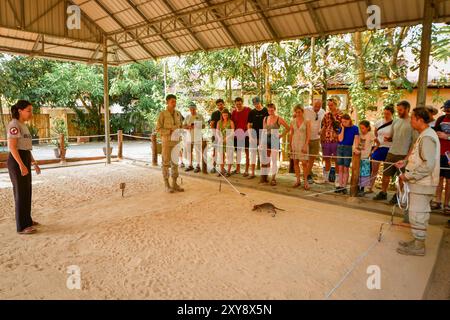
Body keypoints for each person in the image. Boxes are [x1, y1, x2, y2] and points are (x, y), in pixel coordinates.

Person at [395, 107, 440, 256]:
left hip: (424, 184)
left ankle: (419, 245)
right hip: (421, 183)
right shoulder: (424, 135)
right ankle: (416, 241)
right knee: (416, 213)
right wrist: (405, 162)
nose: (411, 121)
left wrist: (408, 176)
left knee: (417, 214)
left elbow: (428, 165)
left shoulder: (427, 137)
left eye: (413, 118)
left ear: (420, 120)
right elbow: (419, 158)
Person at [7, 100, 41, 235]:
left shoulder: (23, 125)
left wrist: (33, 163)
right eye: (29, 110)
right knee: (20, 193)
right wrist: (21, 165)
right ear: (20, 111)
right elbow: (12, 147)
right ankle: (22, 226)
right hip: (17, 161)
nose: (31, 113)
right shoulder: (14, 124)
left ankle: (28, 220)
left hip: (24, 157)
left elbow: (26, 148)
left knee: (27, 191)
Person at [374, 101, 417, 204]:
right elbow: (392, 136)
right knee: (386, 174)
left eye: (401, 110)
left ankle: (398, 195)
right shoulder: (396, 121)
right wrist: (388, 138)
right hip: (392, 151)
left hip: (403, 154)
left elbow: (413, 142)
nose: (398, 112)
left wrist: (407, 157)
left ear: (407, 109)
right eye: (397, 110)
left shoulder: (412, 122)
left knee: (401, 177)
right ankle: (383, 192)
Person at [156, 94, 184, 193]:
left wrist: (185, 128)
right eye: (172, 101)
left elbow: (180, 126)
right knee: (166, 163)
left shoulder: (178, 114)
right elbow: (158, 129)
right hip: (167, 142)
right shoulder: (162, 114)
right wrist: (169, 132)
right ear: (167, 102)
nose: (174, 103)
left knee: (175, 163)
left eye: (175, 101)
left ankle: (174, 183)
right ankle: (167, 184)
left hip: (176, 141)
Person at [261, 103, 289, 186]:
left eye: (272, 110)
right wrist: (262, 142)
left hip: (274, 139)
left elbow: (288, 128)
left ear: (275, 109)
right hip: (266, 140)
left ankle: (273, 178)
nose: (270, 111)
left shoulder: (279, 119)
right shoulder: (265, 118)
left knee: (274, 160)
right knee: (266, 159)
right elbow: (263, 130)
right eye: (269, 110)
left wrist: (280, 136)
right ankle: (265, 177)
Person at [368, 104, 394, 193]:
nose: (386, 115)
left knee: (386, 171)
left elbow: (396, 136)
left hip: (389, 148)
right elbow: (375, 133)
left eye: (388, 114)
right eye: (384, 113)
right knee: (374, 168)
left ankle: (384, 190)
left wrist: (390, 139)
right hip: (378, 147)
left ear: (392, 114)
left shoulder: (394, 123)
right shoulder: (379, 122)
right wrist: (377, 142)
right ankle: (370, 187)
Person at [430, 100, 450, 213]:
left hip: (449, 155)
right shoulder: (440, 119)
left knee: (449, 180)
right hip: (440, 153)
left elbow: (445, 136)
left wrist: (447, 137)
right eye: (445, 109)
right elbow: (435, 132)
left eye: (449, 109)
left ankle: (447, 204)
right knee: (439, 178)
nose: (447, 111)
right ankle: (437, 201)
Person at [335, 114, 360, 194]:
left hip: (348, 148)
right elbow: (340, 139)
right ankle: (340, 185)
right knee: (340, 168)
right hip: (340, 147)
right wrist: (342, 128)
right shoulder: (341, 128)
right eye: (342, 122)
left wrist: (356, 148)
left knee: (346, 168)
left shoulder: (355, 128)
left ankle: (344, 186)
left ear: (349, 120)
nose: (344, 123)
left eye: (345, 122)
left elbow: (356, 140)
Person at [321, 97, 343, 184]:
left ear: (336, 104)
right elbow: (324, 126)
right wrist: (321, 136)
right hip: (327, 139)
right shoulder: (326, 115)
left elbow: (343, 127)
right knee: (326, 159)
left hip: (337, 140)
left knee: (337, 160)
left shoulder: (341, 114)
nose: (330, 107)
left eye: (331, 105)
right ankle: (326, 178)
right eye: (328, 105)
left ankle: (337, 179)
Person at [290, 105, 311, 190]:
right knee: (295, 162)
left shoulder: (307, 121)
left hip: (303, 143)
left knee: (304, 163)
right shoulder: (293, 121)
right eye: (296, 112)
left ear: (303, 112)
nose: (298, 113)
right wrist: (290, 145)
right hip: (294, 143)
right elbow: (291, 134)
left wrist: (306, 145)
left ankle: (305, 181)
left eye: (299, 112)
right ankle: (298, 180)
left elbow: (308, 135)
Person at [304, 99, 325, 184]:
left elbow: (325, 123)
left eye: (319, 107)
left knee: (312, 157)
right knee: (305, 158)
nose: (317, 108)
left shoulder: (322, 112)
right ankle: (307, 174)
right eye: (316, 106)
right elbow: (296, 115)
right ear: (312, 104)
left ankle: (308, 174)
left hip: (316, 137)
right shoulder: (306, 109)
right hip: (306, 137)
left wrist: (322, 130)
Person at [248, 97, 269, 179]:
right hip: (253, 135)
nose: (256, 105)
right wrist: (250, 136)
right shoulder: (252, 112)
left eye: (257, 103)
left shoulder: (266, 111)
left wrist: (264, 137)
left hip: (263, 135)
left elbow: (268, 124)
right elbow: (249, 124)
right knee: (253, 154)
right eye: (254, 104)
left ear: (260, 102)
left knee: (263, 154)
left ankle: (263, 174)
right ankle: (252, 173)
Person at [356, 120, 378, 197]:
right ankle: (357, 187)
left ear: (368, 128)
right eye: (360, 128)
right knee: (358, 173)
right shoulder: (359, 134)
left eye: (363, 128)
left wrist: (372, 151)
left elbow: (378, 143)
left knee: (364, 174)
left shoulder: (370, 134)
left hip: (365, 157)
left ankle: (362, 189)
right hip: (358, 157)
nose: (361, 130)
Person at [231, 97, 251, 176]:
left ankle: (246, 170)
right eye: (237, 104)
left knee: (247, 153)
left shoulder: (248, 110)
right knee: (238, 153)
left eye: (240, 104)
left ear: (242, 103)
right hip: (237, 135)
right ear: (235, 104)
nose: (238, 105)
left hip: (246, 134)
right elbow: (232, 123)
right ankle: (238, 169)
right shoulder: (234, 112)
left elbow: (251, 121)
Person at [183, 102, 205, 173]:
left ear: (196, 109)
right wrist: (188, 127)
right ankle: (190, 165)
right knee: (189, 151)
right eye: (191, 109)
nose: (192, 110)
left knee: (198, 151)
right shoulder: (187, 116)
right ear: (189, 109)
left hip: (197, 136)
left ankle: (198, 165)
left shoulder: (200, 116)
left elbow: (204, 126)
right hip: (189, 136)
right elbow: (183, 126)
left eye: (193, 109)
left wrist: (197, 125)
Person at [216, 109, 235, 177]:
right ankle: (222, 170)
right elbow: (217, 131)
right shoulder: (219, 122)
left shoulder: (231, 122)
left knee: (229, 156)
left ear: (228, 115)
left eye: (226, 115)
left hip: (229, 141)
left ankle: (229, 171)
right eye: (224, 115)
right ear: (222, 115)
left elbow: (233, 132)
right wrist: (219, 138)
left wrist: (226, 138)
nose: (225, 116)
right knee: (221, 156)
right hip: (221, 141)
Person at [209, 99, 225, 173]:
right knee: (215, 151)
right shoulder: (214, 113)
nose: (219, 106)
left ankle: (223, 167)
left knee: (223, 152)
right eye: (218, 105)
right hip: (215, 134)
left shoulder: (227, 113)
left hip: (224, 135)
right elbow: (212, 124)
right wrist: (215, 134)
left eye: (221, 104)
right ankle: (214, 166)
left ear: (223, 104)